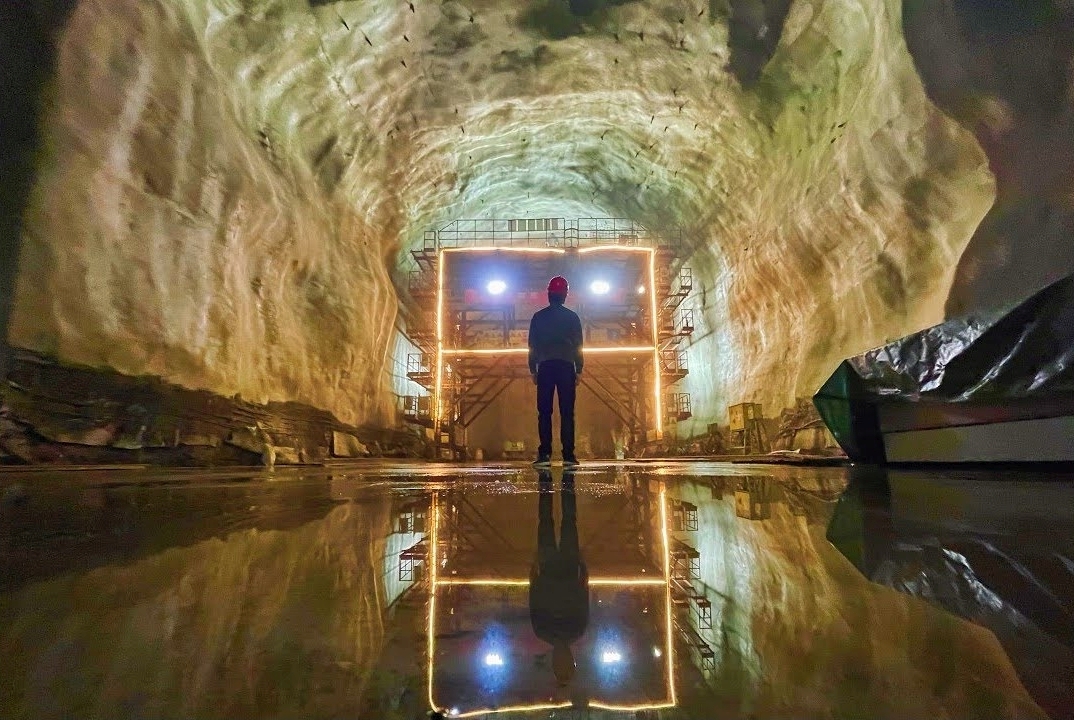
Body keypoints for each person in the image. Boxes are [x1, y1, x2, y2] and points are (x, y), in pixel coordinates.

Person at [530, 468, 588, 687]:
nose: (563, 658)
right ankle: (560, 479)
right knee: (560, 521)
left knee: (552, 521)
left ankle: (556, 479)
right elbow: (583, 597)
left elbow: (534, 600)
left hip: (555, 570)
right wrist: (583, 568)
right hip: (562, 569)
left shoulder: (548, 631)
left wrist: (534, 573)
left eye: (560, 664)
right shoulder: (548, 631)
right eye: (567, 663)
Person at [528, 276, 583, 467]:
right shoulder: (572, 317)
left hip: (545, 367)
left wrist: (533, 369)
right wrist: (579, 368)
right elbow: (578, 346)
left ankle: (545, 454)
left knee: (544, 412)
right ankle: (568, 455)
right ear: (565, 294)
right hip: (566, 366)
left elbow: (533, 346)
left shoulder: (538, 317)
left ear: (549, 294)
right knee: (567, 412)